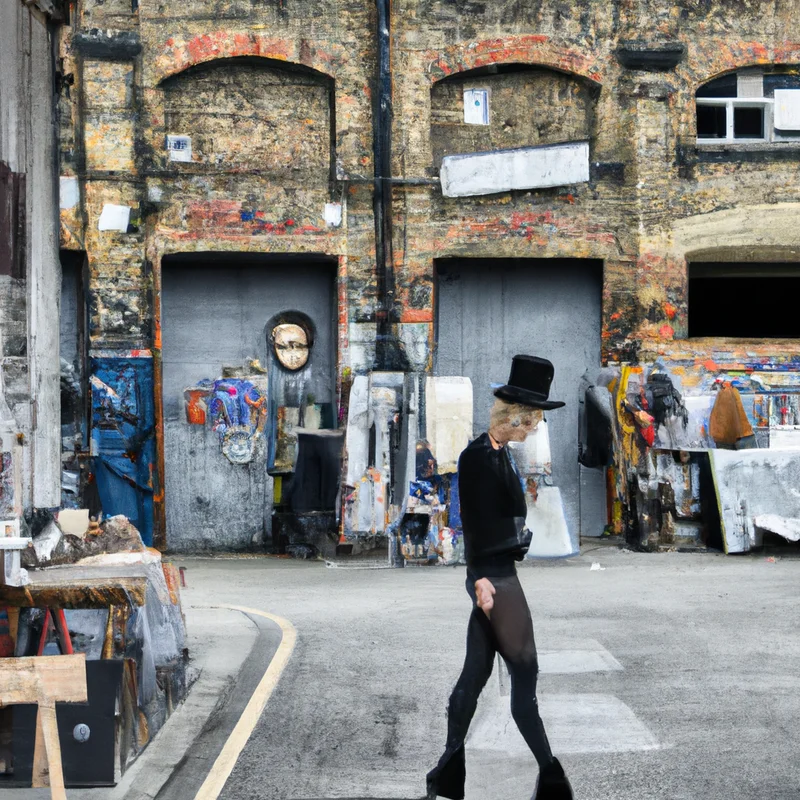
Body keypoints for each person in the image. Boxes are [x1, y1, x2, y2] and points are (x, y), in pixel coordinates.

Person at [426, 355, 574, 800]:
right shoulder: (476, 458)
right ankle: (553, 784)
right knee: (524, 680)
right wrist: (477, 582)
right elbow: (471, 523)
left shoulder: (500, 453)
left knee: (472, 679)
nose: (535, 429)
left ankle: (446, 780)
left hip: (500, 575)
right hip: (495, 582)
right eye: (532, 421)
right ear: (515, 418)